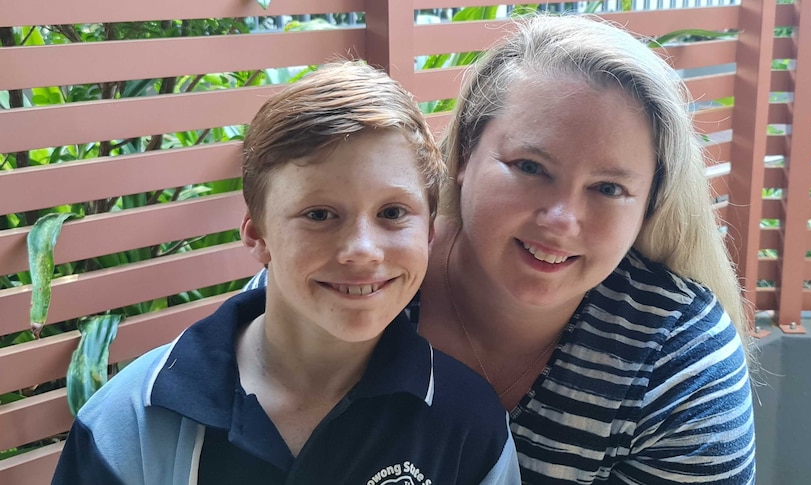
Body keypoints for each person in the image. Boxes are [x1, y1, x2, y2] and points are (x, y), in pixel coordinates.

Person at [246, 15, 756, 484]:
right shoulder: (348, 273)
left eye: (608, 188)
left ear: (648, 205)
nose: (561, 219)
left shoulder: (678, 364)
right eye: (530, 167)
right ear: (464, 153)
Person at [52, 62, 521, 485]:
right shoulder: (128, 422)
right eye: (319, 215)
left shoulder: (469, 427)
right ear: (258, 236)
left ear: (429, 235)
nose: (361, 250)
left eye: (393, 212)